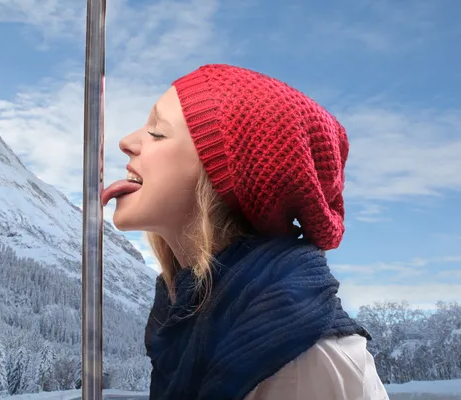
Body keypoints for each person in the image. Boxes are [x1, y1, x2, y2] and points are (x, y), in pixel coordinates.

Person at [101, 64, 390, 400]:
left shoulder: (300, 357)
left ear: (223, 177)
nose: (127, 142)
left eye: (158, 132)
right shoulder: (191, 313)